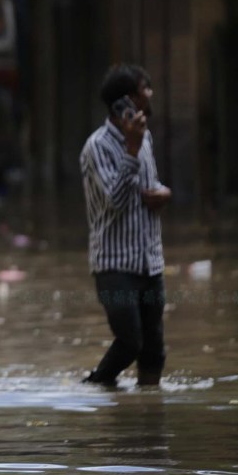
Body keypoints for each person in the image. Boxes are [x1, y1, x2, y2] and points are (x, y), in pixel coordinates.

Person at [80, 64, 172, 387]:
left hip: (150, 262)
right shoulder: (98, 146)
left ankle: (146, 416)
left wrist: (164, 193)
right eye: (145, 89)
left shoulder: (145, 139)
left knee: (154, 351)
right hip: (115, 265)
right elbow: (115, 202)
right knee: (131, 340)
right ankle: (94, 387)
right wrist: (130, 150)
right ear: (128, 100)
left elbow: (152, 183)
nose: (150, 95)